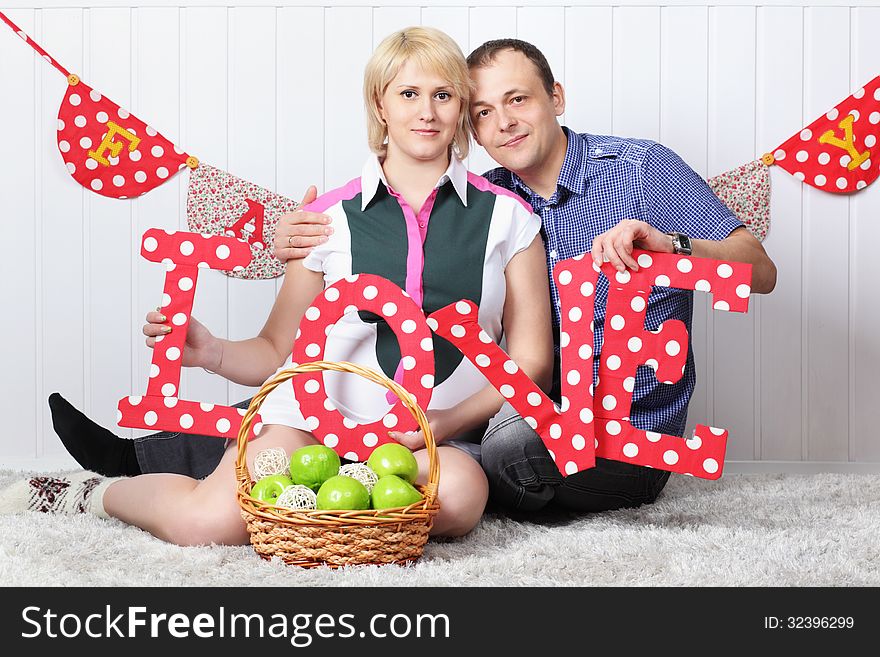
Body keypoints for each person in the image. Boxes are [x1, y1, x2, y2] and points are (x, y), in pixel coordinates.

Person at [48, 38, 777, 514]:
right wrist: (265, 274)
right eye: (486, 109)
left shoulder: (629, 172)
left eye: (516, 100)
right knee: (323, 451)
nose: (502, 122)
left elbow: (758, 270)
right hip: (491, 413)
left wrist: (671, 245)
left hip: (590, 428)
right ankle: (143, 465)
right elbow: (285, 345)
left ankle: (241, 462)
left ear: (557, 97)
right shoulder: (491, 195)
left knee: (492, 464)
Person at [0, 27, 553, 542]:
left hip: (433, 440)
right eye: (408, 94)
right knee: (209, 523)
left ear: (460, 108)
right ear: (380, 106)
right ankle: (97, 495)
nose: (426, 112)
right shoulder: (325, 220)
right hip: (312, 423)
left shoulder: (508, 219)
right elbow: (276, 350)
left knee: (456, 500)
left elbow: (530, 358)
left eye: (443, 95)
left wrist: (447, 421)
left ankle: (324, 504)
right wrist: (209, 350)